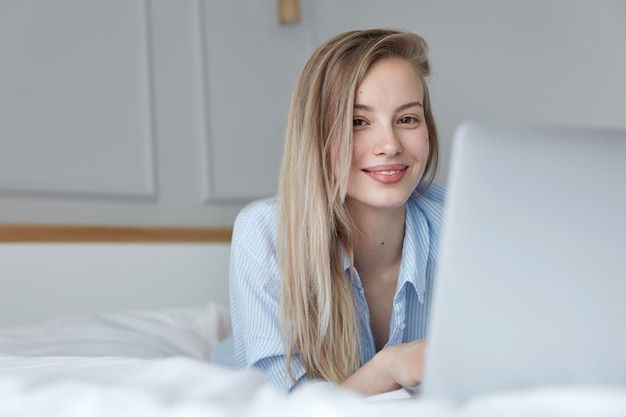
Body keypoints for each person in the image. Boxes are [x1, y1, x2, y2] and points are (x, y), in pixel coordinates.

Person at [228, 28, 445, 396]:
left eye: (407, 119)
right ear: (318, 135)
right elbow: (283, 409)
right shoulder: (264, 234)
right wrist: (387, 368)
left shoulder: (462, 221)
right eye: (358, 121)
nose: (390, 145)